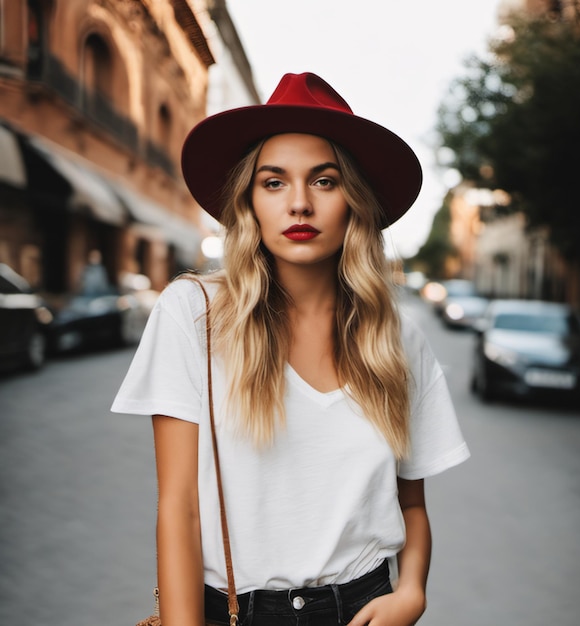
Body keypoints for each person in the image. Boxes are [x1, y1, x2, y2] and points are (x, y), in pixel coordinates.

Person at [112, 72, 470, 626]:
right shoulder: (194, 314)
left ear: (354, 201)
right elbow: (178, 507)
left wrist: (412, 593)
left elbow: (412, 504)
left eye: (324, 181)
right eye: (274, 182)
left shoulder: (397, 338)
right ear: (249, 201)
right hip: (234, 611)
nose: (299, 203)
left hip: (365, 607)